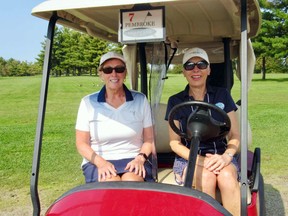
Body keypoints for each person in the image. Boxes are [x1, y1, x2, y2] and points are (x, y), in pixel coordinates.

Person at [165, 47, 240, 215]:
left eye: (201, 64)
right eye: (190, 65)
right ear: (184, 71)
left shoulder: (222, 95)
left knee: (227, 178)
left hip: (220, 154)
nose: (196, 69)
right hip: (189, 157)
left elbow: (235, 135)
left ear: (209, 69)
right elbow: (174, 143)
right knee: (206, 177)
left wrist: (226, 156)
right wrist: (200, 160)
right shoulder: (175, 101)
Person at [75, 51, 154, 183]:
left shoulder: (140, 100)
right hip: (99, 159)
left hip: (134, 158)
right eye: (107, 70)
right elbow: (81, 143)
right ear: (101, 74)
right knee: (111, 182)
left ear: (125, 73)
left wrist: (140, 158)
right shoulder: (88, 102)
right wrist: (101, 163)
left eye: (119, 69)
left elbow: (149, 139)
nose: (114, 74)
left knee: (131, 182)